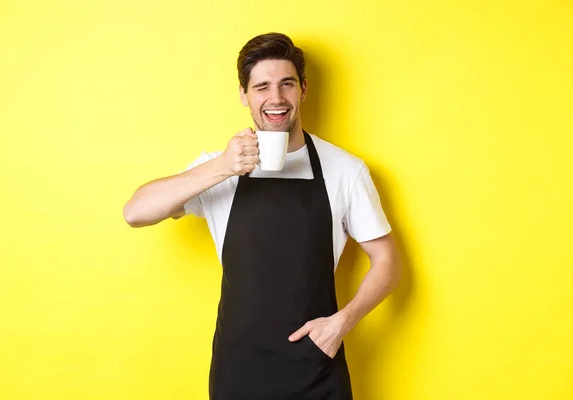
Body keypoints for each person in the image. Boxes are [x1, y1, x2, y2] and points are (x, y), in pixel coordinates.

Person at [123, 32, 402, 400]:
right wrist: (222, 167)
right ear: (243, 94)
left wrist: (341, 324)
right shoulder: (219, 168)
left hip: (316, 368)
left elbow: (387, 261)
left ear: (303, 89)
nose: (276, 99)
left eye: (286, 84)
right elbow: (136, 212)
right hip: (238, 371)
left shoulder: (344, 170)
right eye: (262, 87)